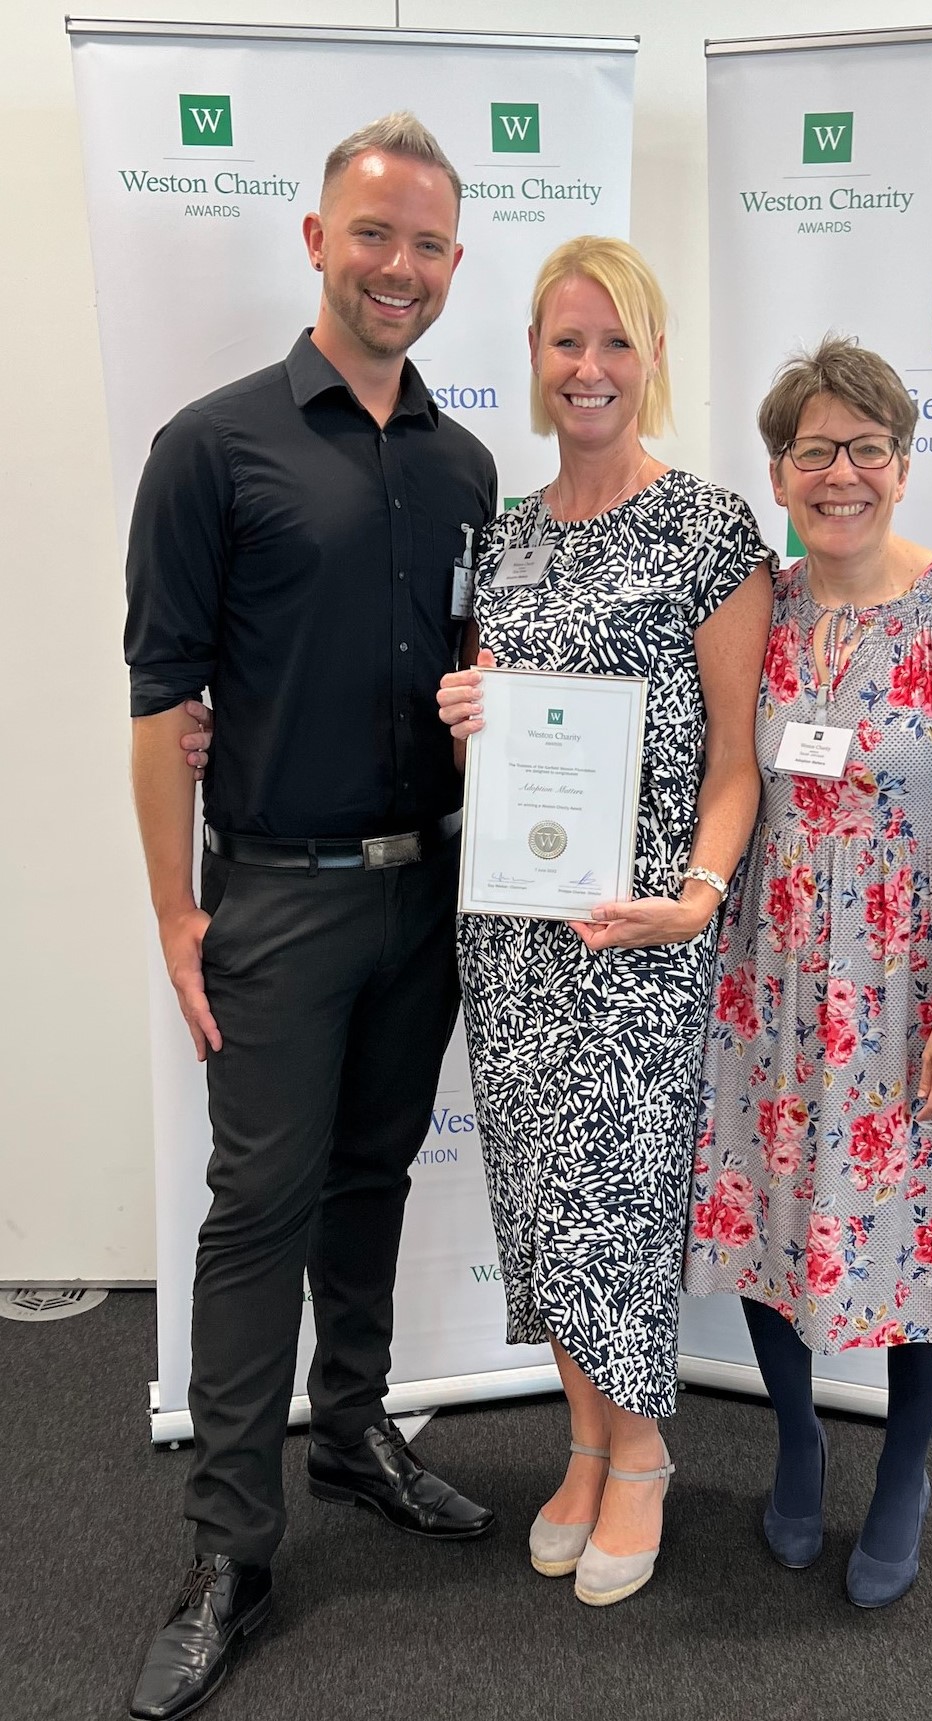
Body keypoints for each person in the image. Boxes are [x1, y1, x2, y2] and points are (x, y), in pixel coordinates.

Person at [123, 114, 496, 1721]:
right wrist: (172, 913)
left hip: (434, 889)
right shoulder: (210, 447)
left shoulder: (469, 464)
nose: (398, 268)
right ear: (317, 240)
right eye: (374, 236)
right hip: (275, 897)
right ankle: (228, 1554)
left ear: (453, 265)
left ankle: (351, 1434)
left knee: (371, 1179)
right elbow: (161, 700)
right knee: (254, 1215)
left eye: (426, 245)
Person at [436, 236, 772, 1607]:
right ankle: (581, 1445)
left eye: (617, 342)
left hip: (643, 939)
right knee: (542, 1205)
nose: (590, 369)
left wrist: (692, 901)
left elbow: (739, 762)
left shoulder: (710, 529)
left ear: (652, 360)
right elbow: (503, 752)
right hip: (515, 932)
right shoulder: (501, 538)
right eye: (567, 342)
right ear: (532, 357)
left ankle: (643, 1457)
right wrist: (473, 723)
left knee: (619, 1208)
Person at [684, 337, 932, 1607]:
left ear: (900, 459)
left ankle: (901, 1469)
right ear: (777, 472)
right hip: (769, 980)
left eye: (864, 447)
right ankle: (793, 1434)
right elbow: (695, 751)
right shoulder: (757, 607)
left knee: (919, 1225)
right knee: (769, 1209)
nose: (840, 473)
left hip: (903, 993)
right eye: (811, 450)